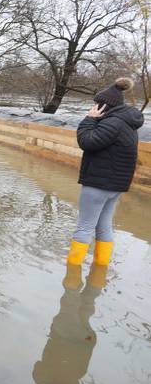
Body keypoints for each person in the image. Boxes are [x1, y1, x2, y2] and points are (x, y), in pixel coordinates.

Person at [66, 77, 145, 268]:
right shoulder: (127, 123)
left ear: (104, 106)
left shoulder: (112, 123)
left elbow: (87, 142)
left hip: (98, 184)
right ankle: (100, 269)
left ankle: (71, 274)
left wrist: (89, 119)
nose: (94, 108)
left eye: (96, 105)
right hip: (115, 185)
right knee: (104, 225)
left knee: (84, 227)